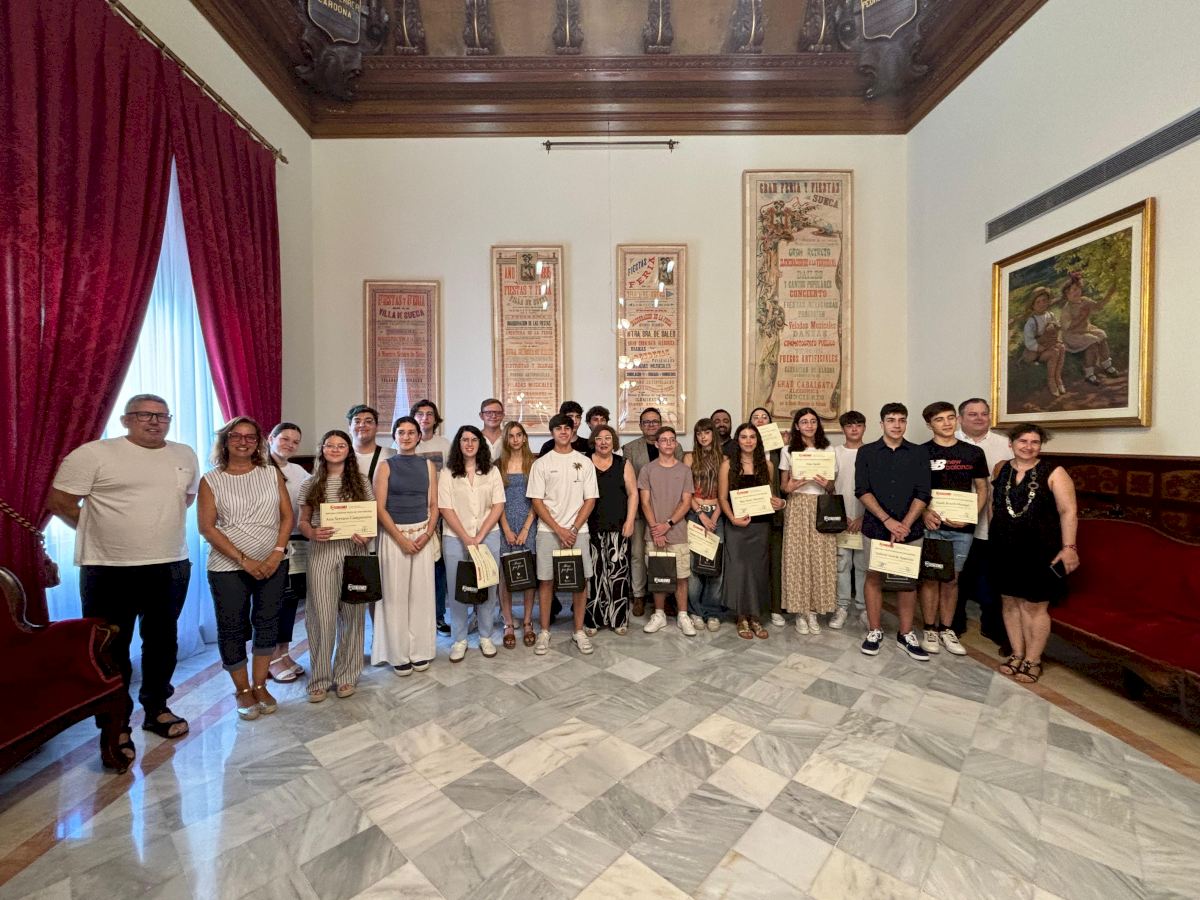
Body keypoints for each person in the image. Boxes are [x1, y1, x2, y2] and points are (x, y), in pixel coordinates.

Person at [48, 394, 199, 766]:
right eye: (145, 415)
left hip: (170, 564)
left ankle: (157, 708)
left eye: (162, 416)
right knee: (112, 649)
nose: (155, 421)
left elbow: (185, 499)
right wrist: (101, 530)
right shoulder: (94, 454)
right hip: (109, 568)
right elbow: (60, 502)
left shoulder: (184, 454)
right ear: (126, 420)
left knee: (162, 642)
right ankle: (115, 724)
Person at [197, 417, 293, 720]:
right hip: (228, 567)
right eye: (236, 436)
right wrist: (244, 560)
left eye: (250, 437)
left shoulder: (270, 473)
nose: (243, 441)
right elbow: (207, 528)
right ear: (225, 441)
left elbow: (287, 516)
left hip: (273, 563)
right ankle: (242, 690)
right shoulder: (211, 480)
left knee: (267, 622)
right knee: (232, 627)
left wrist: (276, 554)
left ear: (258, 442)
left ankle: (260, 685)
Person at [989, 424, 1079, 684]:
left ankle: (1033, 659)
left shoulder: (1054, 472)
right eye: (1023, 441)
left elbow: (1068, 512)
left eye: (1035, 442)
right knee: (1009, 602)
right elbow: (995, 506)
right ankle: (1017, 653)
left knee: (1034, 606)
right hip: (1004, 547)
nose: (1028, 447)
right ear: (1011, 443)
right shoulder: (1001, 469)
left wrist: (1069, 548)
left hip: (1040, 549)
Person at [296, 430, 373, 701]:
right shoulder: (310, 483)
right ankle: (319, 678)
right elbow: (303, 521)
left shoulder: (361, 482)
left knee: (353, 615)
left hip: (354, 552)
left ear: (349, 450)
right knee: (321, 617)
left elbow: (369, 518)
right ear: (323, 449)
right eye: (330, 445)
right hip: (322, 553)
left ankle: (347, 675)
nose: (336, 449)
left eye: (341, 445)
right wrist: (311, 532)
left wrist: (366, 535)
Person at [855, 403, 932, 660]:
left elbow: (923, 492)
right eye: (891, 420)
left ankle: (905, 633)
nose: (896, 425)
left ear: (906, 423)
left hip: (910, 529)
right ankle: (874, 630)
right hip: (876, 526)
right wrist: (888, 521)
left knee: (906, 580)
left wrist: (905, 524)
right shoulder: (866, 452)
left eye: (901, 420)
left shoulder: (919, 452)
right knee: (874, 577)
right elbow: (862, 490)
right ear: (882, 424)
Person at [918, 402, 989, 657]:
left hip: (962, 528)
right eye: (939, 419)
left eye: (950, 418)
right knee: (930, 577)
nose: (946, 423)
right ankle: (929, 628)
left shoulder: (973, 453)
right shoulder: (920, 452)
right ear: (929, 424)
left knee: (952, 579)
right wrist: (924, 513)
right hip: (932, 525)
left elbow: (982, 488)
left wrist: (971, 515)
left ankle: (947, 629)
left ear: (957, 420)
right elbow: (914, 489)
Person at [527, 413, 599, 655]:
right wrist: (559, 529)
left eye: (567, 428)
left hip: (579, 531)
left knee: (580, 582)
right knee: (546, 581)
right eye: (558, 428)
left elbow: (590, 500)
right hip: (548, 531)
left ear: (572, 430)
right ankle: (544, 631)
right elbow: (537, 501)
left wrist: (573, 529)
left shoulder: (584, 462)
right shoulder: (541, 464)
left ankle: (578, 630)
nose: (563, 432)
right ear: (552, 433)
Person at [373, 416, 439, 674]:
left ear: (419, 436)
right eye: (401, 432)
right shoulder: (385, 466)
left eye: (412, 432)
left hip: (422, 535)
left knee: (421, 596)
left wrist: (427, 534)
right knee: (395, 596)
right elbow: (379, 508)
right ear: (394, 436)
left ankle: (420, 651)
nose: (407, 437)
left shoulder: (428, 466)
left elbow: (433, 505)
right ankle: (398, 653)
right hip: (394, 537)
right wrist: (401, 539)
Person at [439, 425, 505, 662]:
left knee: (488, 586)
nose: (469, 444)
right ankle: (460, 639)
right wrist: (467, 538)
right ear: (458, 444)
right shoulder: (447, 472)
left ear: (480, 444)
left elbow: (498, 505)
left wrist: (479, 536)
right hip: (455, 538)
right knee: (458, 587)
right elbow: (445, 508)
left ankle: (486, 636)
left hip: (488, 536)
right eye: (464, 440)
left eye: (474, 440)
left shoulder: (492, 471)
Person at [954, 398, 1014, 647]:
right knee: (957, 575)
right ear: (960, 418)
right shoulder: (949, 441)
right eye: (972, 414)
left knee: (992, 576)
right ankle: (954, 622)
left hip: (991, 523)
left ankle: (992, 624)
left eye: (983, 413)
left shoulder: (1006, 444)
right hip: (956, 523)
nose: (979, 418)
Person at [719, 423, 784, 640]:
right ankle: (741, 617)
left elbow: (770, 496)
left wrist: (778, 503)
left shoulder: (768, 465)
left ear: (758, 440)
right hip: (737, 526)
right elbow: (722, 497)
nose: (748, 441)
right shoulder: (728, 465)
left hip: (761, 526)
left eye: (752, 437)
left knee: (758, 571)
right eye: (744, 437)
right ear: (737, 440)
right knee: (739, 570)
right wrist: (732, 519)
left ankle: (755, 617)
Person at [779, 407, 839, 635]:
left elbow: (832, 486)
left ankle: (814, 611)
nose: (809, 425)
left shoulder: (828, 449)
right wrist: (791, 486)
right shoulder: (788, 450)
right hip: (797, 505)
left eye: (813, 421)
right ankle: (799, 612)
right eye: (804, 422)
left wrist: (826, 484)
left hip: (821, 505)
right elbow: (784, 486)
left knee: (820, 557)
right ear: (797, 426)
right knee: (797, 557)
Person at [623, 407, 682, 616]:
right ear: (640, 426)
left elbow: (679, 477)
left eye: (655, 421)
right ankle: (639, 595)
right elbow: (629, 484)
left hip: (668, 512)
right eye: (646, 422)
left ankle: (666, 596)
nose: (651, 425)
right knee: (638, 554)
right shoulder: (629, 449)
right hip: (641, 512)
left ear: (660, 423)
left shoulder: (676, 447)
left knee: (666, 554)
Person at [638, 426, 696, 636]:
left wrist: (668, 525)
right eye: (664, 440)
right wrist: (657, 529)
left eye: (672, 440)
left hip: (678, 532)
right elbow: (645, 502)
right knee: (658, 575)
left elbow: (686, 502)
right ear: (657, 444)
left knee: (681, 576)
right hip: (654, 533)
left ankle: (683, 615)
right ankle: (659, 614)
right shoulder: (647, 470)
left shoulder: (685, 470)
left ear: (676, 443)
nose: (669, 443)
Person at [267, 422, 308, 684]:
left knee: (290, 600)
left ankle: (283, 652)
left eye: (295, 441)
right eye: (284, 439)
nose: (289, 445)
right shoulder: (259, 468)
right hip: (269, 543)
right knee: (272, 601)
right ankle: (270, 658)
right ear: (270, 438)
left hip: (296, 542)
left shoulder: (298, 471)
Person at [586, 424, 637, 635]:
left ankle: (619, 619)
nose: (604, 442)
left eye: (608, 438)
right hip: (590, 527)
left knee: (618, 574)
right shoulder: (585, 462)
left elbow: (633, 494)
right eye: (599, 438)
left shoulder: (624, 463)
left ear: (613, 441)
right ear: (593, 441)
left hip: (619, 526)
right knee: (594, 575)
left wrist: (630, 521)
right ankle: (593, 620)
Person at [411, 398, 451, 634]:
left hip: (440, 511)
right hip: (413, 512)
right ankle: (417, 616)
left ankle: (438, 615)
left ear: (436, 419)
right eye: (420, 414)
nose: (424, 418)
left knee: (439, 566)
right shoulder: (406, 442)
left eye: (429, 414)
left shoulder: (444, 444)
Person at [498, 421, 538, 648]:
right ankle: (508, 623)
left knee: (528, 575)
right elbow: (496, 500)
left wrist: (525, 528)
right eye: (511, 435)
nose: (515, 439)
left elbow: (537, 498)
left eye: (519, 435)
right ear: (506, 439)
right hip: (505, 525)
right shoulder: (497, 465)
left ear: (524, 438)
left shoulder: (534, 463)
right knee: (505, 576)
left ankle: (527, 621)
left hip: (528, 524)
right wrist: (506, 528)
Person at [684, 418, 725, 632]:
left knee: (715, 566)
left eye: (707, 432)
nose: (703, 437)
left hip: (717, 513)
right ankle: (695, 611)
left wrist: (714, 516)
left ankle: (712, 612)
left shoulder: (724, 459)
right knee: (694, 566)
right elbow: (686, 491)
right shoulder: (689, 458)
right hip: (695, 513)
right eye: (699, 433)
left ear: (713, 434)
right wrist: (701, 514)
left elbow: (725, 493)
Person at [750, 406, 787, 628]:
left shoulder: (779, 450)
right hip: (749, 516)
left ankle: (775, 608)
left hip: (774, 515)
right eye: (756, 417)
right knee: (752, 564)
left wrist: (782, 503)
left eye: (765, 417)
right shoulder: (742, 448)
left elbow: (785, 481)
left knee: (775, 562)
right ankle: (753, 609)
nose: (760, 420)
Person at [832, 410, 867, 630]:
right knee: (841, 564)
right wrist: (839, 515)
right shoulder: (835, 452)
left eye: (858, 425)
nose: (854, 429)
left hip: (866, 519)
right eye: (849, 425)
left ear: (864, 427)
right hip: (841, 519)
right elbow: (829, 486)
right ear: (843, 429)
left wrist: (863, 517)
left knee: (863, 566)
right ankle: (842, 606)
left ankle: (864, 608)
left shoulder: (872, 452)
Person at [1059, 272, 1120, 387]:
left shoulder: (1085, 300)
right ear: (1066, 295)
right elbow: (1067, 327)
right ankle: (1089, 373)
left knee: (1101, 335)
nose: (1075, 292)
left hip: (1086, 329)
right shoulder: (1067, 308)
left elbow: (1098, 306)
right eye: (1072, 291)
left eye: (1077, 289)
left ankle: (1106, 364)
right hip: (1072, 335)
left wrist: (1109, 294)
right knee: (1092, 342)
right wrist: (1081, 316)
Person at [1022, 287, 1066, 397]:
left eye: (1044, 300)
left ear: (1048, 301)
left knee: (1062, 348)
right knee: (1054, 352)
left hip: (1049, 344)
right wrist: (1041, 348)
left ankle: (1058, 377)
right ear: (1033, 305)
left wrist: (1057, 328)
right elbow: (1029, 342)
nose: (1042, 304)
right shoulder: (1031, 322)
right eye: (1038, 302)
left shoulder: (1050, 315)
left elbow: (1057, 327)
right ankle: (1051, 380)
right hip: (1037, 352)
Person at [346, 404, 394, 482]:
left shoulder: (392, 455)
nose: (362, 425)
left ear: (377, 427)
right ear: (349, 428)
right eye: (357, 421)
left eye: (368, 421)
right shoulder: (340, 455)